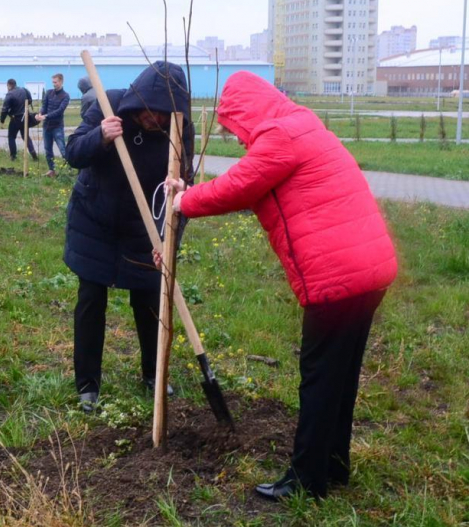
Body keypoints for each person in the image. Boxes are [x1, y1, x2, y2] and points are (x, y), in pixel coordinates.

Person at [165, 71, 397, 502]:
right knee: (340, 376)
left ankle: (306, 479)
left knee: (319, 377)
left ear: (246, 112)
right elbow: (252, 186)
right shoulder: (300, 124)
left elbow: (239, 185)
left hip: (338, 277)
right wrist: (191, 192)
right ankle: (334, 464)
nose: (236, 138)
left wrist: (183, 202)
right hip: (369, 269)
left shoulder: (278, 136)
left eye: (234, 126)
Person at [64, 61, 194, 413]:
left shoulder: (180, 128)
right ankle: (88, 385)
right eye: (151, 111)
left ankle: (154, 374)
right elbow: (72, 153)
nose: (157, 119)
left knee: (150, 302)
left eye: (165, 113)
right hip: (96, 222)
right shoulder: (109, 105)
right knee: (91, 300)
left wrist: (169, 239)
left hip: (145, 229)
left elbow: (186, 187)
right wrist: (100, 136)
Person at [36, 73, 70, 177]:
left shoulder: (65, 96)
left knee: (63, 149)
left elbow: (60, 111)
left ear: (61, 82)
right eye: (53, 82)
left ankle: (70, 169)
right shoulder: (48, 93)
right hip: (47, 126)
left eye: (56, 82)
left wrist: (45, 116)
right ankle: (52, 170)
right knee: (48, 150)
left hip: (57, 126)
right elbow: (44, 106)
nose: (54, 84)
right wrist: (40, 113)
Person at [0, 79, 38, 161]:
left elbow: (4, 110)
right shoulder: (24, 90)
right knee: (26, 137)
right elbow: (30, 100)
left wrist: (2, 120)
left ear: (9, 85)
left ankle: (13, 156)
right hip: (25, 117)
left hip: (15, 119)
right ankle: (34, 155)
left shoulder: (9, 94)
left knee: (11, 137)